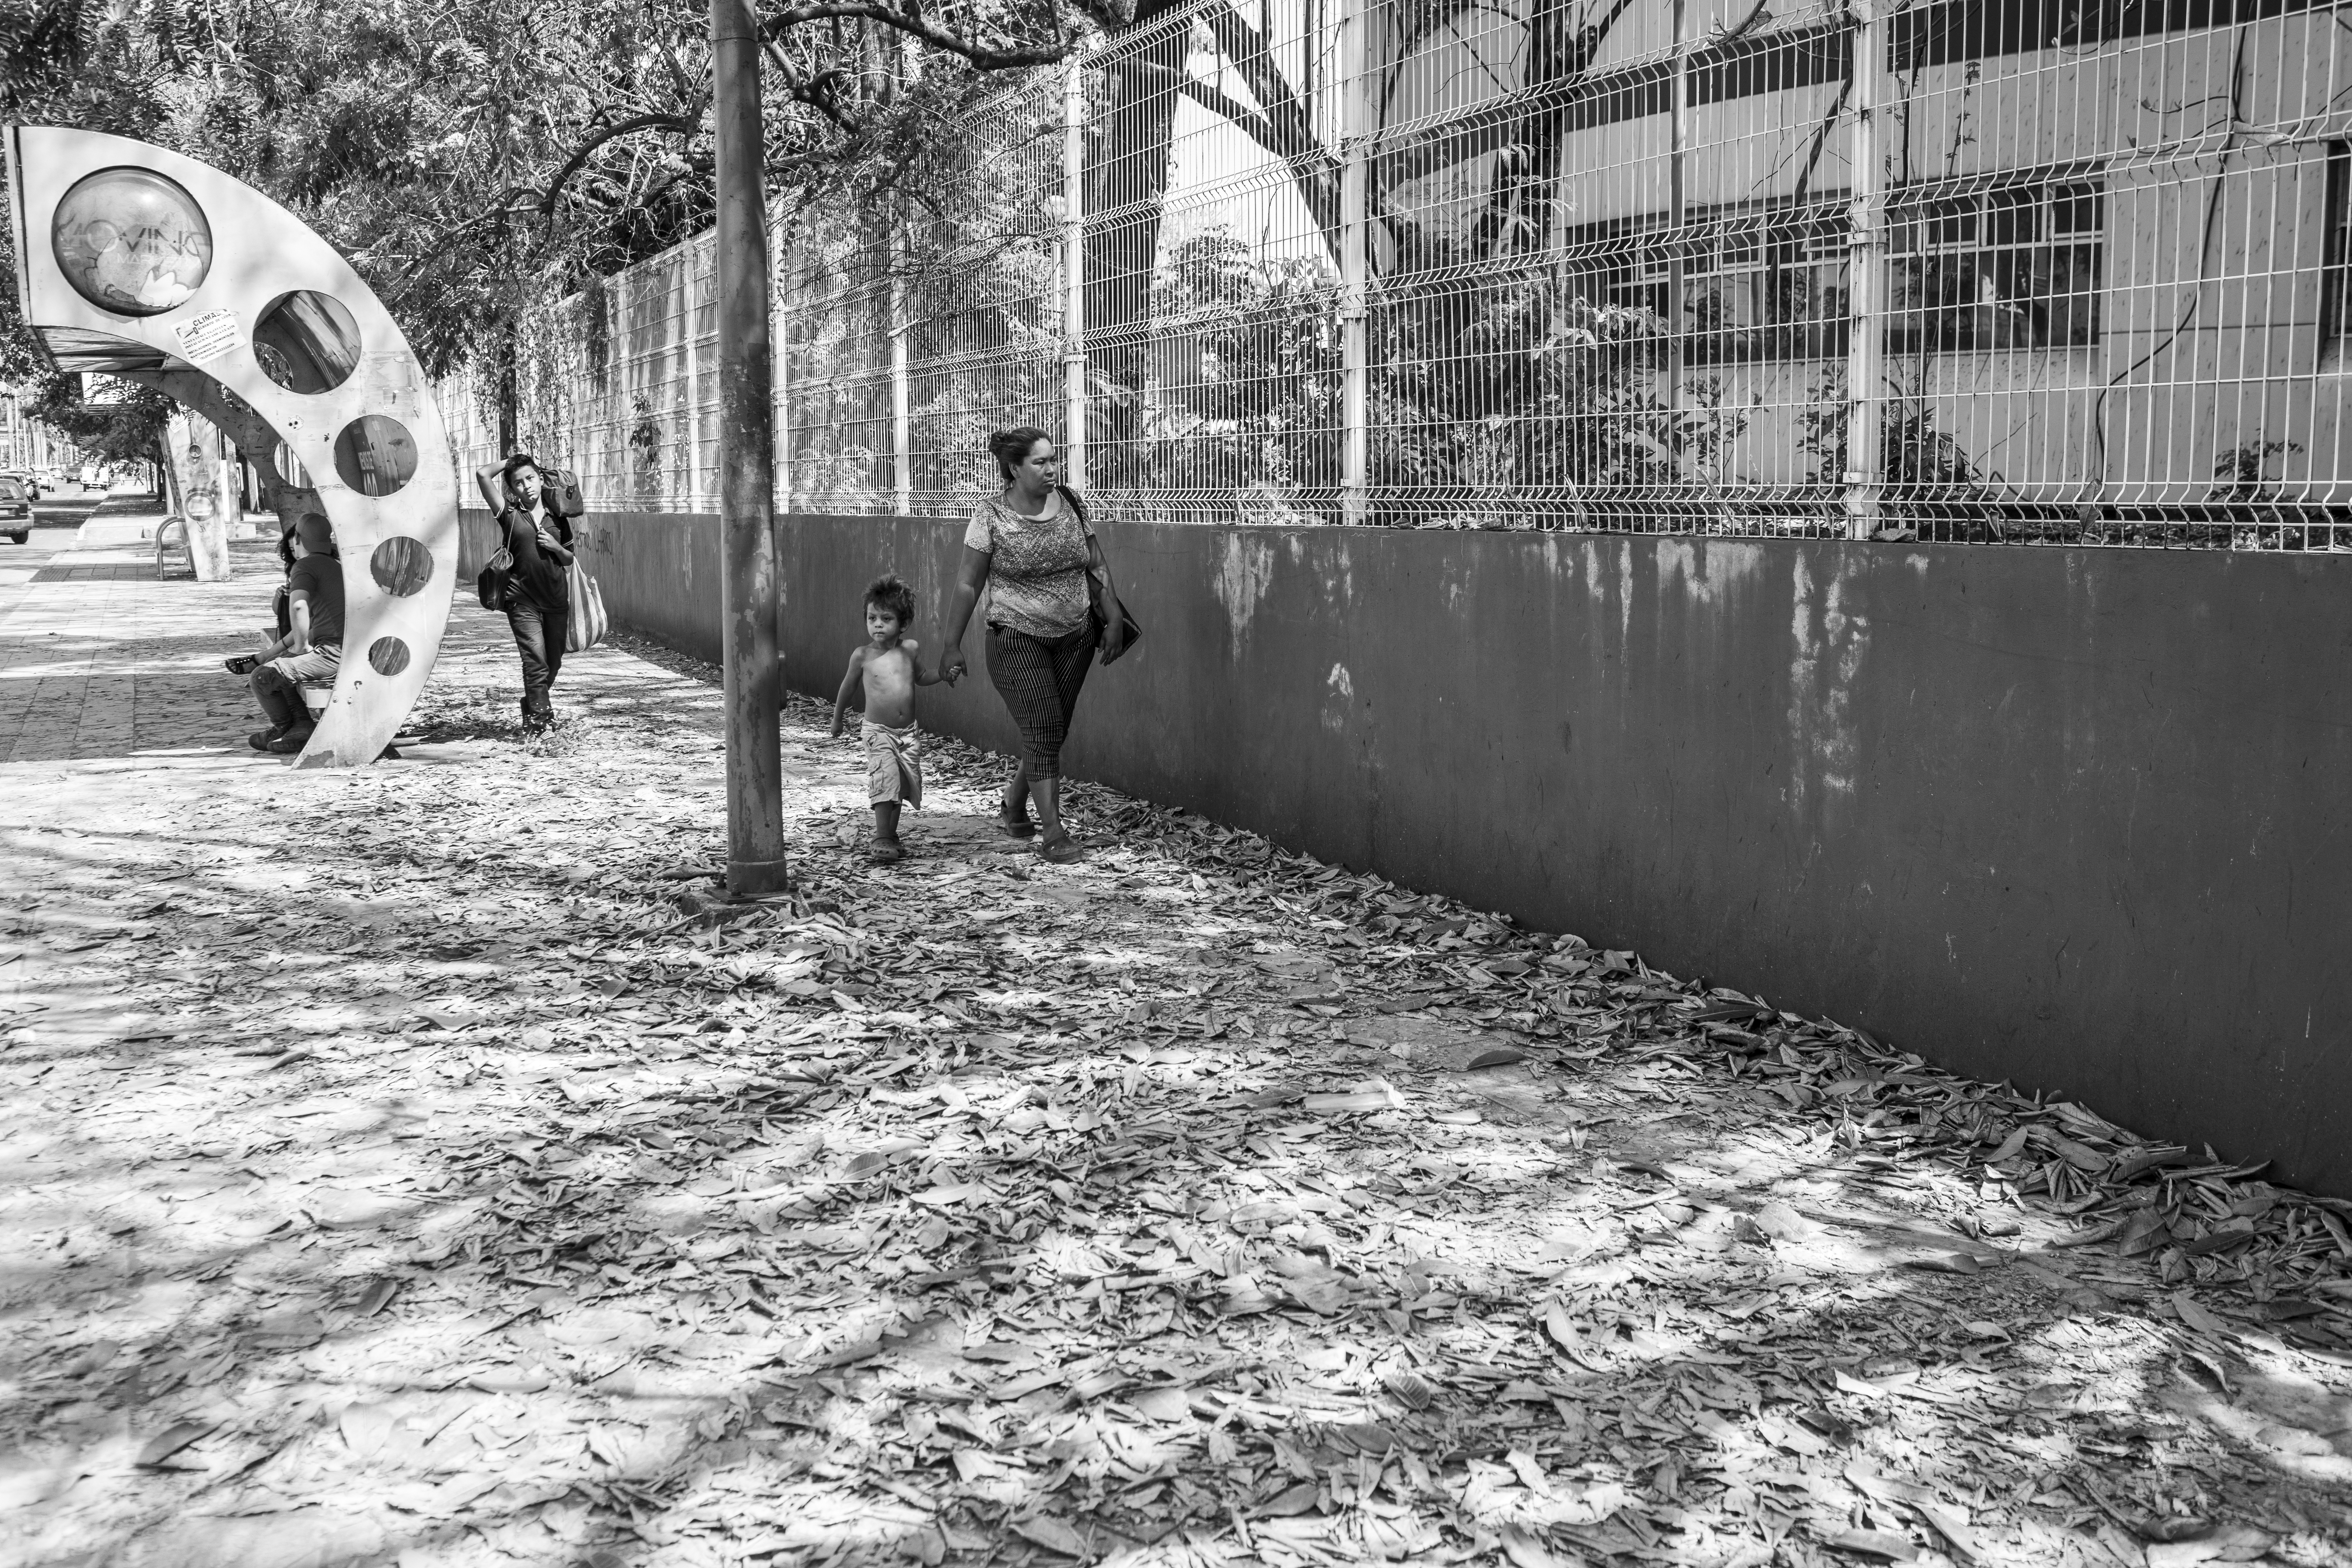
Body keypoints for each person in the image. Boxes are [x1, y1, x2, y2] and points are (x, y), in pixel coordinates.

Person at [936, 427, 1129, 864]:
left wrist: (1114, 616)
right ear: (1014, 469)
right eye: (1040, 462)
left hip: (1076, 636)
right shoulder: (990, 516)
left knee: (1052, 730)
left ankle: (1013, 802)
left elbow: (1095, 564)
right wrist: (951, 645)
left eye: (1053, 459)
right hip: (1015, 637)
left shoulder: (1072, 504)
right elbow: (968, 584)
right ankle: (1054, 833)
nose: (1051, 469)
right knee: (1043, 725)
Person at [829, 574, 946, 862]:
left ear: (903, 624)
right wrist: (838, 719)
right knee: (886, 779)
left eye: (886, 619)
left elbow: (921, 677)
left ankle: (891, 834)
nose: (877, 624)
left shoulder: (910, 649)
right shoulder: (863, 656)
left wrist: (943, 675)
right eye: (872, 618)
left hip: (908, 734)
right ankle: (881, 835)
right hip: (877, 731)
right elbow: (847, 688)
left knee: (903, 785)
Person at [474, 453, 575, 732]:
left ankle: (531, 703)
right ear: (512, 489)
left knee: (552, 665)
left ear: (541, 479)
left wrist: (556, 547)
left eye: (531, 478)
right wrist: (514, 462)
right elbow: (483, 474)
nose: (527, 486)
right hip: (521, 600)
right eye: (518, 483)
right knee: (536, 662)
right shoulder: (509, 514)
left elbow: (569, 559)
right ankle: (541, 725)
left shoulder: (559, 517)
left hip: (556, 600)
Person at [232, 514, 343, 754]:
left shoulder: (305, 566)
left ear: (299, 540)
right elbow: (308, 623)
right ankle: (300, 726)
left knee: (264, 678)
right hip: (347, 649)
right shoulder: (335, 566)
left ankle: (285, 727)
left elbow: (298, 607)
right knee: (281, 665)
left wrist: (302, 647)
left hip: (333, 654)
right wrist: (269, 654)